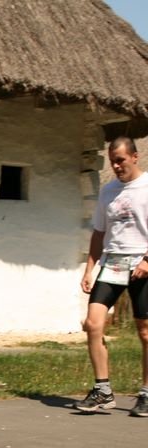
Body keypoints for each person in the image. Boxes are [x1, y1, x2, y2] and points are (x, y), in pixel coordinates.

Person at [76, 136, 148, 417]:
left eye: (120, 160)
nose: (116, 166)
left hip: (142, 263)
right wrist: (88, 269)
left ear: (134, 157)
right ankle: (102, 391)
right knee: (93, 324)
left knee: (144, 332)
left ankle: (146, 394)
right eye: (112, 161)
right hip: (113, 263)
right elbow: (99, 232)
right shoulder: (108, 191)